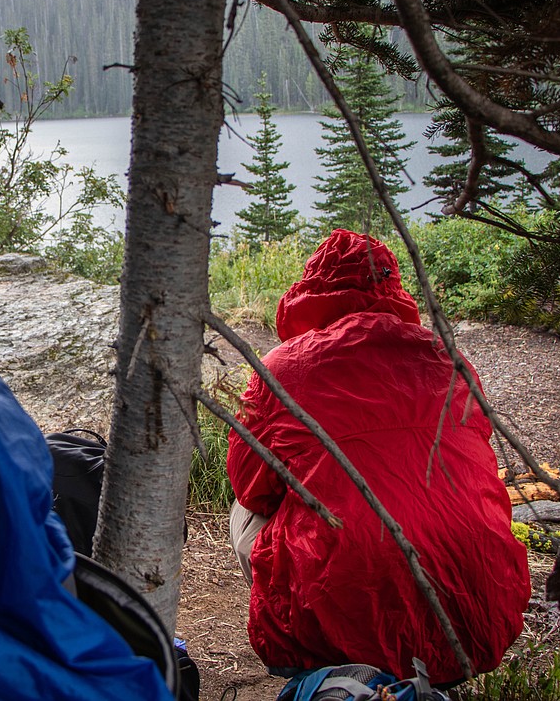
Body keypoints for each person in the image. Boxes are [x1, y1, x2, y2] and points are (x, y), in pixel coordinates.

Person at [226, 229, 530, 686]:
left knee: (245, 510)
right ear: (391, 287)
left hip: (339, 605)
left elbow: (250, 484)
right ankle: (433, 677)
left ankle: (313, 661)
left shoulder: (281, 369)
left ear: (312, 289)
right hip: (476, 609)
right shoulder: (450, 359)